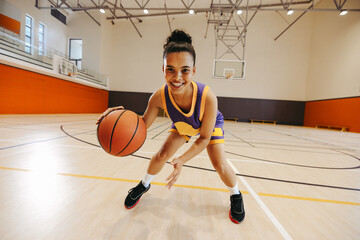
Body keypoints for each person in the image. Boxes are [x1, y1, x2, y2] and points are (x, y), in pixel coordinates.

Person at [97, 29, 245, 224]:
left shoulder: (207, 97)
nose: (177, 77)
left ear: (193, 71)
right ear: (163, 69)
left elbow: (203, 138)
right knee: (160, 155)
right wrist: (115, 116)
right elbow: (141, 125)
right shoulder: (158, 97)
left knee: (219, 164)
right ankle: (144, 184)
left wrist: (182, 160)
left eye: (184, 70)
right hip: (183, 124)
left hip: (208, 126)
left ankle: (236, 195)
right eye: (170, 69)